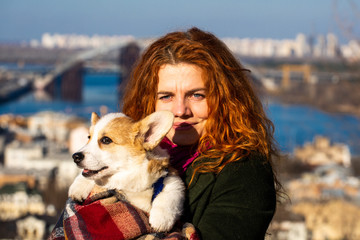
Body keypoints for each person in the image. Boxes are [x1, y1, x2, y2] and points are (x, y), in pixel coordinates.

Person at [122, 27, 282, 240]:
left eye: (197, 95)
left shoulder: (244, 171)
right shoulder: (129, 157)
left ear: (224, 100)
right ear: (148, 102)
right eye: (166, 97)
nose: (180, 111)